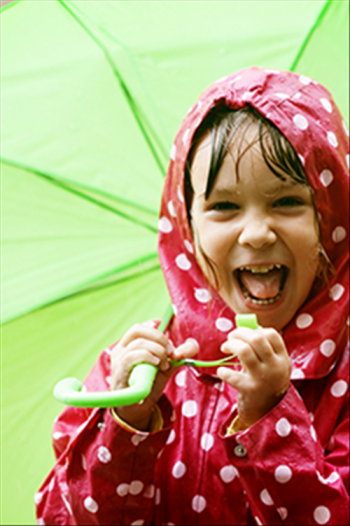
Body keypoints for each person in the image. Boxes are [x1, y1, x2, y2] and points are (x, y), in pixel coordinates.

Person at [35, 67, 349, 525]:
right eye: (224, 207)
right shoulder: (136, 373)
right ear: (187, 224)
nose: (257, 233)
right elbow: (61, 517)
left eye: (287, 202)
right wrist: (125, 426)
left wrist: (271, 421)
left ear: (333, 212)